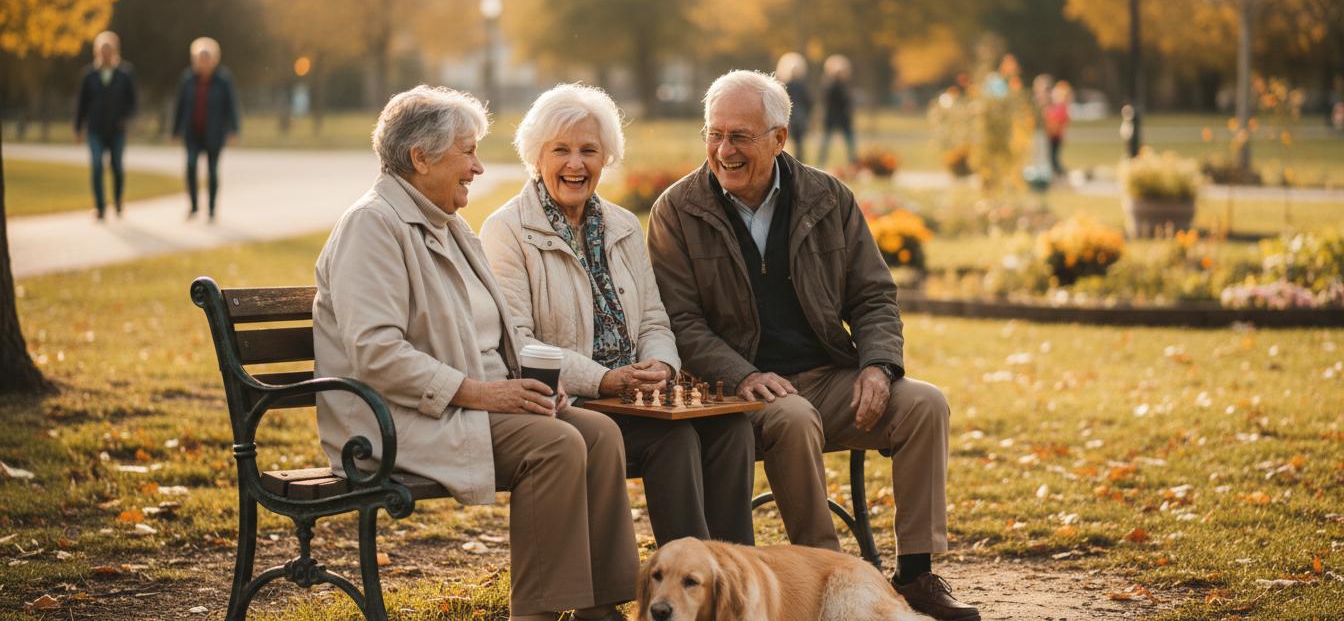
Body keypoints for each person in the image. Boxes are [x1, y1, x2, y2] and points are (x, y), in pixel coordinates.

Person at [646, 70, 978, 621]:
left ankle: (916, 575)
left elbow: (874, 295)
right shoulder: (677, 210)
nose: (723, 150)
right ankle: (825, 572)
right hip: (734, 389)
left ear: (779, 138)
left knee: (925, 403)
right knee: (793, 417)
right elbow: (680, 320)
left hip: (828, 375)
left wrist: (878, 366)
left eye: (740, 137)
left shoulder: (828, 197)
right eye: (714, 134)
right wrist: (742, 373)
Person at [313, 86, 635, 621]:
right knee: (553, 445)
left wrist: (530, 380)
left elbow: (493, 333)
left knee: (598, 433)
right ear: (420, 157)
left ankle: (598, 608)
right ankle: (536, 611)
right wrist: (486, 393)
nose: (478, 167)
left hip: (468, 405)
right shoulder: (372, 225)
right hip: (398, 418)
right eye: (467, 152)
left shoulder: (449, 225)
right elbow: (376, 353)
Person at [481, 83, 756, 547]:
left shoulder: (623, 225)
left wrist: (662, 365)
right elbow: (519, 343)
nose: (576, 164)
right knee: (675, 441)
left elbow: (653, 319)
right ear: (537, 156)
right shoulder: (507, 230)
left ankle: (734, 576)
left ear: (605, 157)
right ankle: (688, 580)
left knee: (730, 426)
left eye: (589, 150)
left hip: (636, 397)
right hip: (573, 401)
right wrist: (604, 381)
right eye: (561, 150)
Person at [172, 37, 239, 221]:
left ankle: (211, 208)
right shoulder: (187, 79)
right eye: (201, 58)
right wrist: (175, 129)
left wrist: (233, 129)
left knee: (212, 170)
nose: (204, 62)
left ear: (214, 59)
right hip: (192, 132)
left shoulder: (223, 80)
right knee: (191, 166)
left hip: (214, 133)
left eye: (207, 57)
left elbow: (231, 105)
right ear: (195, 59)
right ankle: (193, 206)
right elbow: (180, 105)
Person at [75, 31, 137, 220]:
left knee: (117, 166)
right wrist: (78, 127)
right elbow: (82, 103)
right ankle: (100, 207)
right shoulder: (89, 75)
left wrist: (125, 119)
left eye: (109, 49)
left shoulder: (125, 74)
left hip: (117, 130)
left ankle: (118, 201)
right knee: (96, 166)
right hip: (95, 129)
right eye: (102, 50)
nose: (106, 53)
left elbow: (132, 102)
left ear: (115, 51)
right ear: (97, 52)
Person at [817, 54, 856, 167]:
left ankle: (853, 162)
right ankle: (821, 163)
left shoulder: (844, 85)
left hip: (843, 118)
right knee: (826, 142)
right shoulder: (830, 84)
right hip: (832, 118)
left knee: (850, 142)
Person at [775, 52, 812, 164]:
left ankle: (795, 160)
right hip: (796, 116)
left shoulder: (786, 85)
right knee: (795, 141)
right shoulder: (798, 85)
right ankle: (797, 160)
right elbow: (809, 101)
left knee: (793, 140)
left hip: (794, 116)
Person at [1045, 80, 1073, 177]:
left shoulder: (1062, 107)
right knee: (1053, 156)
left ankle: (1061, 173)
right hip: (1053, 135)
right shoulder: (1057, 107)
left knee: (1054, 156)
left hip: (1056, 135)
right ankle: (1058, 172)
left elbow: (1061, 122)